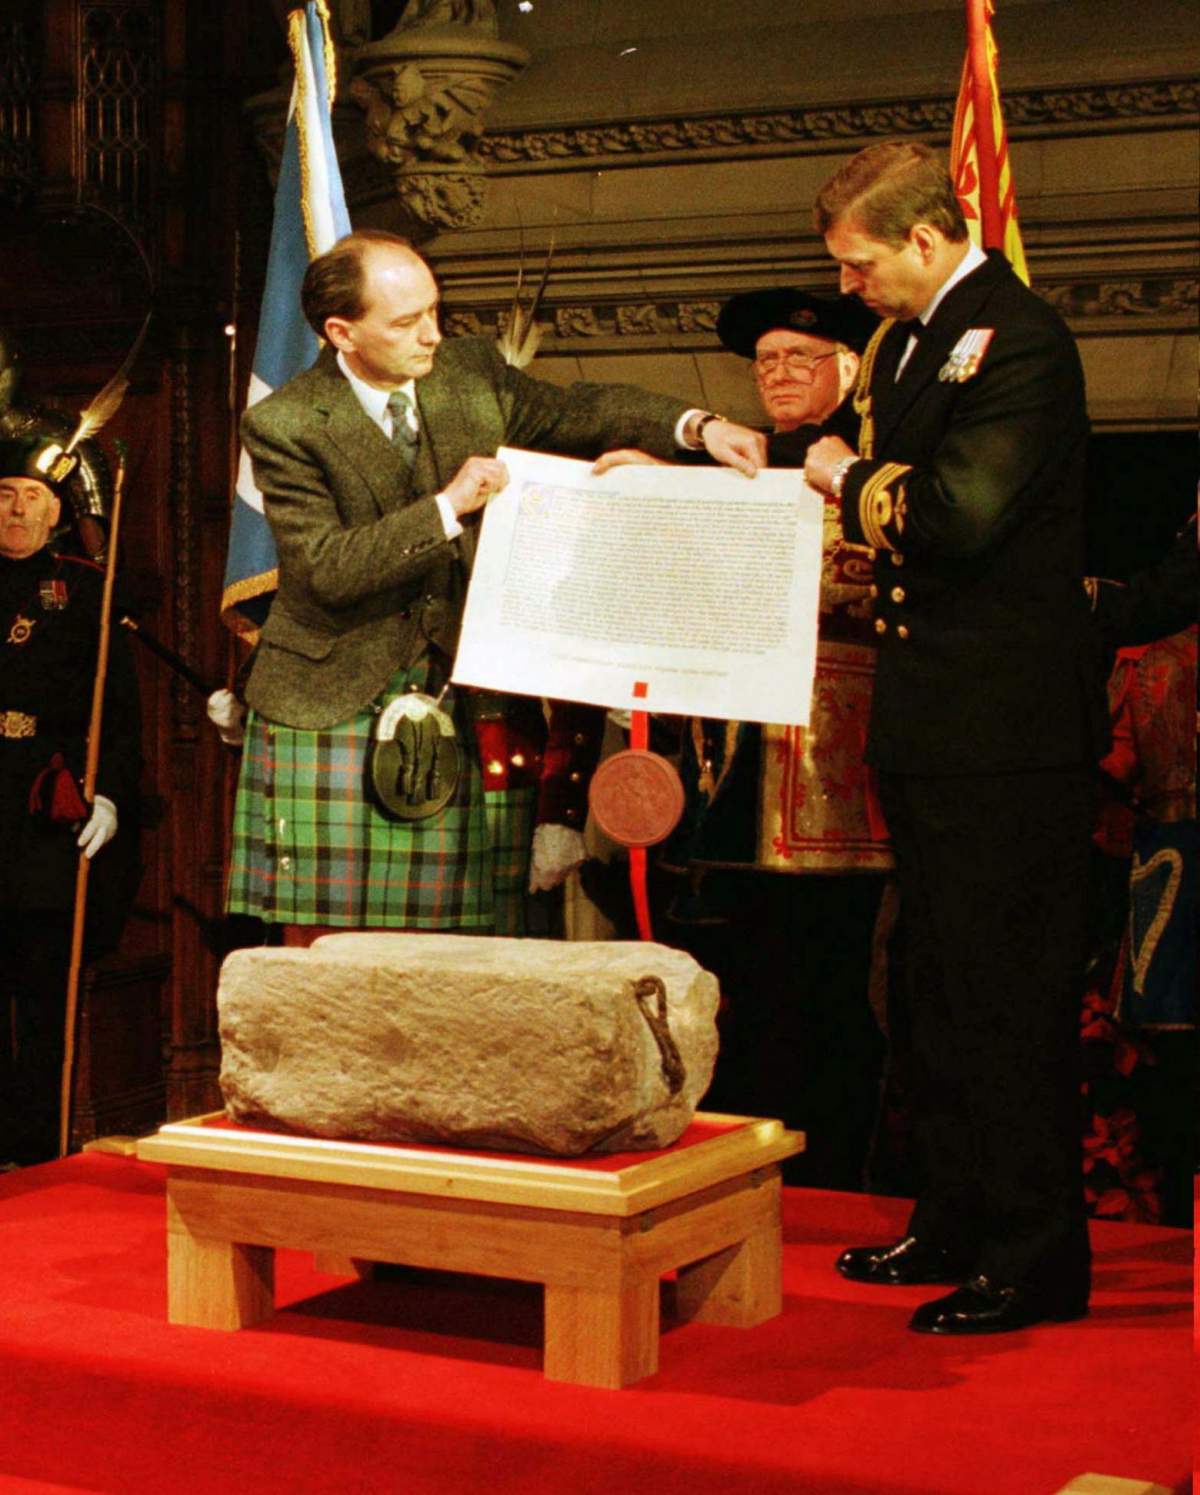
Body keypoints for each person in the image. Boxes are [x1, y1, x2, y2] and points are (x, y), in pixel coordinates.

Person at [226, 228, 765, 942]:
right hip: (335, 699)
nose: (432, 334)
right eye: (407, 321)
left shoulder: (469, 372)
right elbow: (327, 568)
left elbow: (579, 411)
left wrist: (698, 426)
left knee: (482, 942)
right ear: (341, 332)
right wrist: (448, 506)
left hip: (474, 693)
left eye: (434, 310)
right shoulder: (285, 421)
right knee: (334, 955)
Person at [802, 141, 1109, 1334]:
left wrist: (844, 474)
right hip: (933, 715)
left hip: (1009, 722)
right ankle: (956, 1214)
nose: (851, 286)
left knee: (1006, 994)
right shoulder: (908, 338)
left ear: (925, 241)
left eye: (861, 263)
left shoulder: (1019, 337)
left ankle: (1035, 1255)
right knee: (931, 988)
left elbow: (957, 514)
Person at [599, 287, 894, 1187]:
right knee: (735, 986)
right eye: (765, 362)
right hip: (725, 789)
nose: (777, 376)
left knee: (828, 984)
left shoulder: (879, 472)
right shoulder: (735, 468)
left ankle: (831, 1175)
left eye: (800, 359)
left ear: (849, 367)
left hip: (828, 786)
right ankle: (731, 1172)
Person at [0, 435, 141, 1165]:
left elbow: (116, 711)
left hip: (40, 815)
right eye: (3, 495)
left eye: (31, 497)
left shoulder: (83, 588)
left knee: (41, 990)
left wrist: (110, 796)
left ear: (55, 511)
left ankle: (38, 1146)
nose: (16, 510)